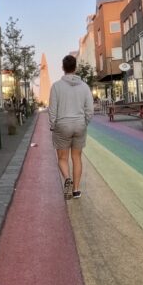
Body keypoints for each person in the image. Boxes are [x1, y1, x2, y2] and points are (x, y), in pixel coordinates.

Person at [48, 55, 94, 200]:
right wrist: (84, 122)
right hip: (79, 124)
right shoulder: (85, 86)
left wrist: (53, 125)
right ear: (76, 68)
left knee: (62, 157)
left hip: (62, 124)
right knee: (77, 157)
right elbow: (90, 109)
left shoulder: (56, 86)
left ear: (63, 68)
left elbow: (52, 109)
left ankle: (67, 179)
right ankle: (76, 190)